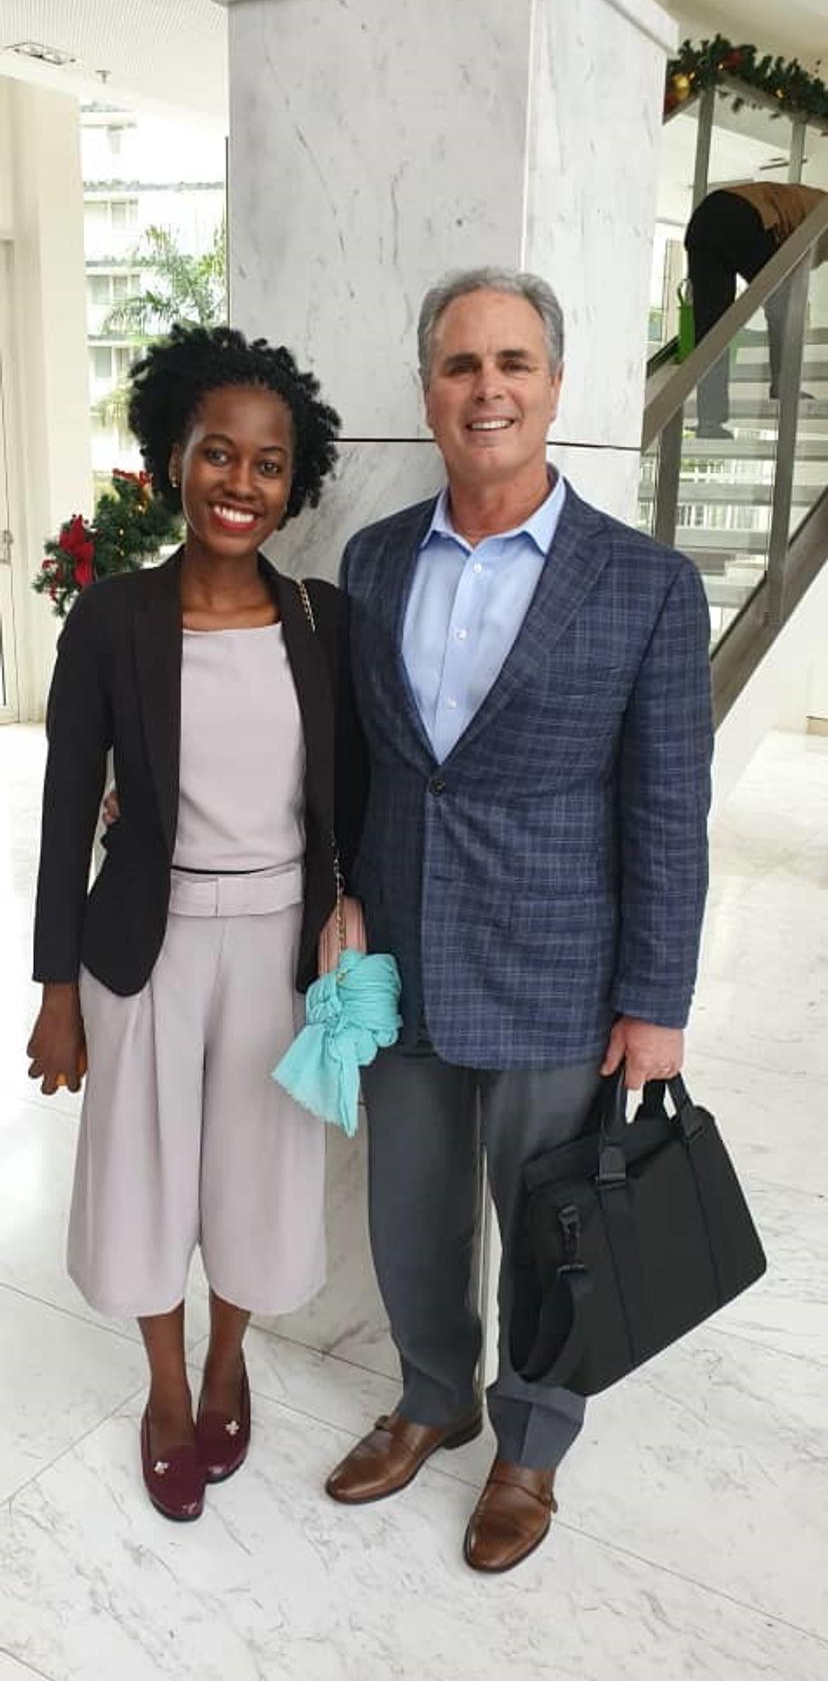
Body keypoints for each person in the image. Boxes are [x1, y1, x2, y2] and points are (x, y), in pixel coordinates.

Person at [324, 268, 714, 1574]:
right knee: (410, 1212)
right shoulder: (376, 559)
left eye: (512, 362)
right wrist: (342, 895)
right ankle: (433, 1394)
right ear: (428, 387)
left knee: (554, 1226)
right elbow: (360, 765)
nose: (486, 388)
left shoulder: (646, 584)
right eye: (460, 364)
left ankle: (530, 1444)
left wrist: (657, 1000)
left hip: (562, 964)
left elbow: (668, 805)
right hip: (402, 959)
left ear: (554, 385)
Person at [27, 325, 364, 1524]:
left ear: (294, 482)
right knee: (142, 1169)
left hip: (279, 947)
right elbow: (67, 807)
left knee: (260, 1171)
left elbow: (353, 795)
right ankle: (167, 1387)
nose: (240, 482)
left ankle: (230, 1360)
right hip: (145, 945)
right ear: (175, 456)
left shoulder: (323, 620)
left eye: (269, 464)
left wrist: (355, 927)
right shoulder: (112, 618)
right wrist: (55, 989)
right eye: (219, 452)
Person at [684, 181, 827, 438]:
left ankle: (709, 421)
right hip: (742, 215)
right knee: (786, 303)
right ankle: (783, 384)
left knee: (712, 328)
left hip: (705, 219)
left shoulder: (809, 201)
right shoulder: (822, 211)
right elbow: (802, 264)